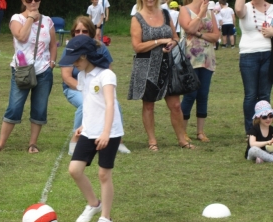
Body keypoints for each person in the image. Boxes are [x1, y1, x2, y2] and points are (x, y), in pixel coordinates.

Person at [59, 35, 124, 222]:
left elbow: (110, 105)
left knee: (104, 174)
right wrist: (84, 125)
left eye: (76, 59)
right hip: (89, 130)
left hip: (109, 132)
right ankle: (94, 204)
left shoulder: (106, 75)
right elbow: (89, 102)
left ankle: (106, 218)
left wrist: (105, 132)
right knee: (74, 170)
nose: (74, 64)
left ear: (86, 56)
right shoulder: (82, 76)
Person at [0, 0, 57, 154]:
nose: (33, 2)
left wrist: (51, 64)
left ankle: (32, 144)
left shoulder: (48, 21)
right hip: (21, 70)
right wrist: (31, 18)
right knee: (14, 107)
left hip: (44, 71)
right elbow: (21, 37)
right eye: (28, 0)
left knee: (39, 108)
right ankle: (0, 144)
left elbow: (53, 44)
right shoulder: (16, 19)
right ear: (23, 2)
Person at [128, 0, 195, 151]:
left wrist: (171, 43)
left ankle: (182, 140)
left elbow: (175, 37)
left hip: (167, 64)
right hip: (146, 66)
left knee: (176, 105)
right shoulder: (137, 18)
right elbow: (137, 46)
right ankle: (152, 141)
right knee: (149, 105)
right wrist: (158, 41)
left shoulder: (165, 14)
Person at [59, 16, 130, 155]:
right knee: (84, 104)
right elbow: (67, 77)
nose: (80, 34)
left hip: (97, 87)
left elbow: (108, 71)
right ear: (73, 33)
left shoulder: (101, 48)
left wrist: (97, 90)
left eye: (84, 31)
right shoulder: (69, 49)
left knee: (114, 104)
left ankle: (117, 141)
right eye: (77, 31)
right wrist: (86, 89)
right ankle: (76, 139)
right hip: (75, 88)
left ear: (91, 33)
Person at [179, 0, 220, 143]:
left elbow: (216, 36)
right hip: (190, 59)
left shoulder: (211, 12)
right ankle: (182, 132)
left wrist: (201, 35)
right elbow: (190, 29)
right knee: (190, 95)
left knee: (203, 95)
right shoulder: (185, 10)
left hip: (207, 59)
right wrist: (201, 13)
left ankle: (200, 132)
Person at [235, 0, 273, 137]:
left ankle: (265, 130)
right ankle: (251, 132)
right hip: (248, 54)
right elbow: (238, 10)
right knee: (251, 95)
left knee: (264, 94)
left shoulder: (272, 8)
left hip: (269, 53)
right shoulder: (245, 7)